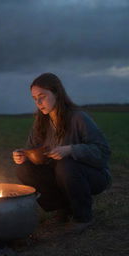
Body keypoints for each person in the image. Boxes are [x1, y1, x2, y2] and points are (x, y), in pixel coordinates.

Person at [13, 72, 111, 232]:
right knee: (23, 170)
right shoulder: (41, 122)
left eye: (42, 96)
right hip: (60, 175)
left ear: (57, 93)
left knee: (65, 165)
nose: (38, 102)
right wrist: (22, 155)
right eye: (34, 98)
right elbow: (31, 150)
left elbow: (103, 151)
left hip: (92, 175)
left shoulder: (78, 118)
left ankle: (83, 217)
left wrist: (71, 149)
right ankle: (63, 208)